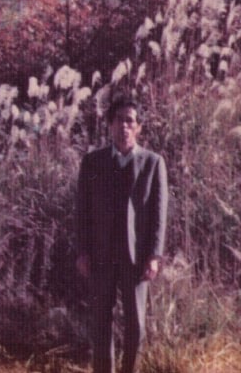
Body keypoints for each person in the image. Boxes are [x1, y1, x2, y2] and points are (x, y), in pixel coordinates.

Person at [75, 94, 168, 373]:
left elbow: (158, 214)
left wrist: (154, 255)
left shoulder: (153, 163)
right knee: (100, 323)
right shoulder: (93, 162)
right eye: (119, 120)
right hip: (101, 255)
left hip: (136, 257)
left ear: (138, 127)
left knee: (136, 325)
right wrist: (82, 251)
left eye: (130, 121)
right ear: (109, 124)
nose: (124, 126)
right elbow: (82, 211)